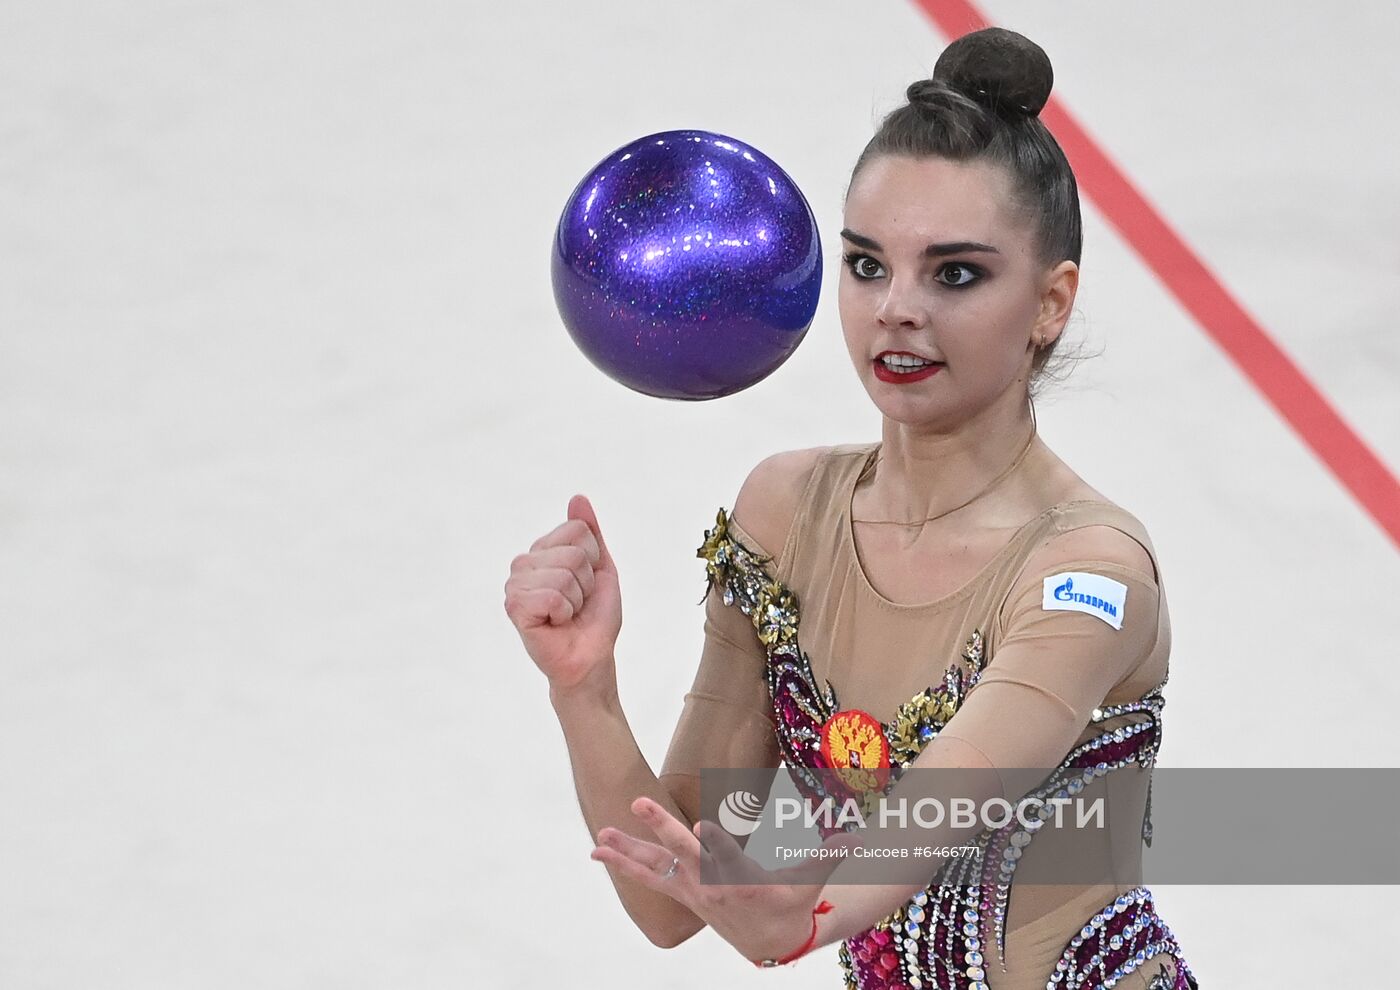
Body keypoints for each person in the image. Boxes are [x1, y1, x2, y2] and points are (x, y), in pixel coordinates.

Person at [503, 26, 1198, 990]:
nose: (895, 308)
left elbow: (952, 794)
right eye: (869, 264)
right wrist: (582, 687)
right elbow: (671, 903)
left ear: (1051, 302)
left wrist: (810, 907)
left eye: (955, 273)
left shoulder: (1087, 569)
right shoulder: (786, 514)